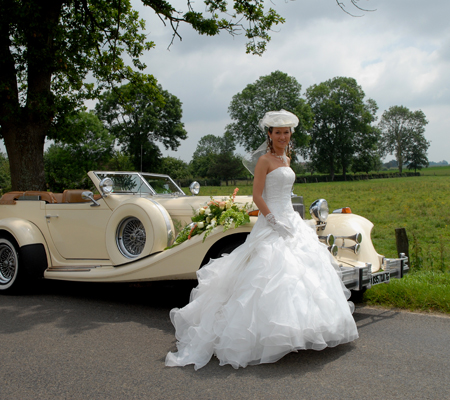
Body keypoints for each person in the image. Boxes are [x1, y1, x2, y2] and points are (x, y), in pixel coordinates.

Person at [165, 110, 358, 370]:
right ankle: (265, 335)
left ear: (291, 135)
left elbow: (286, 193)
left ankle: (302, 330)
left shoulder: (287, 159)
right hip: (272, 222)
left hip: (291, 220)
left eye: (286, 132)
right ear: (269, 134)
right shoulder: (264, 161)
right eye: (277, 132)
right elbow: (257, 196)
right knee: (269, 274)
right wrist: (274, 221)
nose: (282, 136)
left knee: (302, 274)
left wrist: (291, 221)